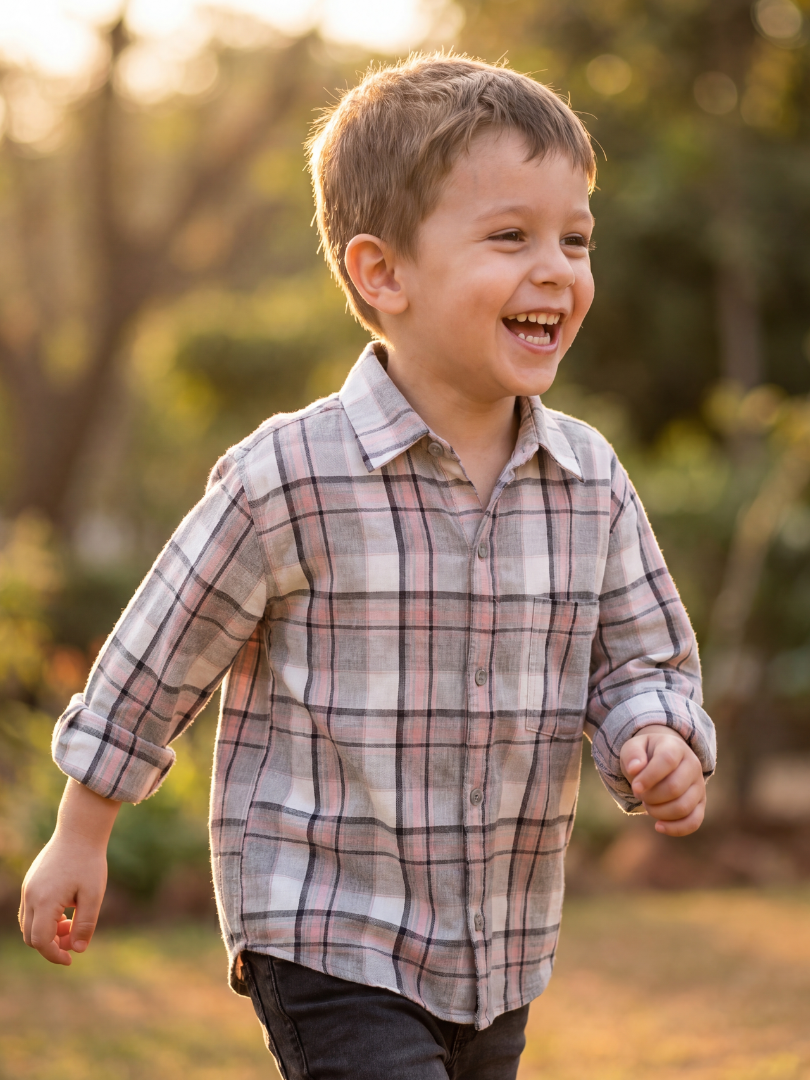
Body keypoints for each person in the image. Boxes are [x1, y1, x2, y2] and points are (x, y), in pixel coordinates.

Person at [19, 54, 716, 1080]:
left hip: (497, 945)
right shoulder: (291, 476)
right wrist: (82, 830)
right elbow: (160, 652)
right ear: (382, 273)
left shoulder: (590, 480)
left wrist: (656, 733)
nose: (558, 270)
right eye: (510, 237)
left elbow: (641, 660)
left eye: (575, 239)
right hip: (324, 931)